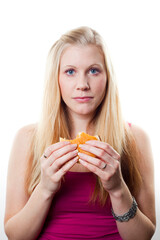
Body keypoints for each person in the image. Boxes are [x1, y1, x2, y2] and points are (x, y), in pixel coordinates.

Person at [4, 26, 156, 240]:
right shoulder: (27, 138)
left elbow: (142, 237)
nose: (82, 85)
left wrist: (117, 189)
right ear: (56, 78)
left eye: (94, 70)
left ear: (108, 77)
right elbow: (16, 236)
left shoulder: (135, 138)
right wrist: (45, 188)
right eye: (70, 71)